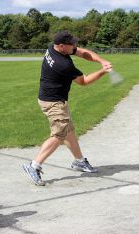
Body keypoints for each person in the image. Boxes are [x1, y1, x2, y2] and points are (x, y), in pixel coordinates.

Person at [23, 30, 113, 186]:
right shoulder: (63, 64)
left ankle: (79, 161)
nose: (75, 46)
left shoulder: (53, 47)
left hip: (52, 98)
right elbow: (83, 81)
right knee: (59, 135)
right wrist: (102, 72)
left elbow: (83, 53)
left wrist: (101, 61)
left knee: (68, 130)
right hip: (53, 102)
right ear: (62, 46)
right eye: (72, 44)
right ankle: (34, 166)